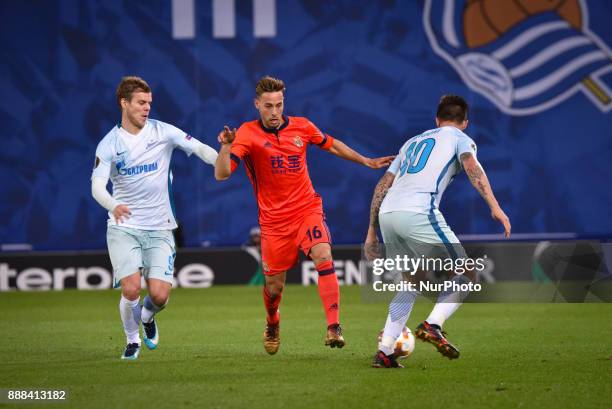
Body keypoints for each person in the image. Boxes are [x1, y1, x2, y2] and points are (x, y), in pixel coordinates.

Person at [214, 76, 394, 354]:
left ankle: (333, 326)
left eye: (279, 105)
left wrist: (366, 160)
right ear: (257, 104)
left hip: (307, 209)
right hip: (273, 223)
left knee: (323, 255)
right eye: (268, 106)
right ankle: (272, 322)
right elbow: (222, 174)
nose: (275, 112)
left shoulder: (302, 126)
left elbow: (332, 144)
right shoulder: (247, 134)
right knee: (274, 288)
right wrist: (226, 146)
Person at [365, 94, 511, 368]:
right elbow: (472, 167)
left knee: (411, 282)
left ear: (436, 119)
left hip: (388, 214)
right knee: (467, 271)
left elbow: (383, 184)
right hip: (419, 212)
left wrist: (371, 231)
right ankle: (433, 324)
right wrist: (495, 206)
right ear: (464, 122)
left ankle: (384, 352)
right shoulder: (459, 138)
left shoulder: (411, 142)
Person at [91, 76, 218, 360]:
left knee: (159, 296)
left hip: (160, 227)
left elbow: (199, 149)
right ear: (124, 103)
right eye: (141, 102)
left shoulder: (163, 131)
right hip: (123, 227)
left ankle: (147, 316)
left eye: (149, 102)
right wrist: (113, 206)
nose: (147, 108)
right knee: (132, 287)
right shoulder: (109, 144)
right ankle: (132, 339)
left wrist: (223, 159)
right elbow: (97, 186)